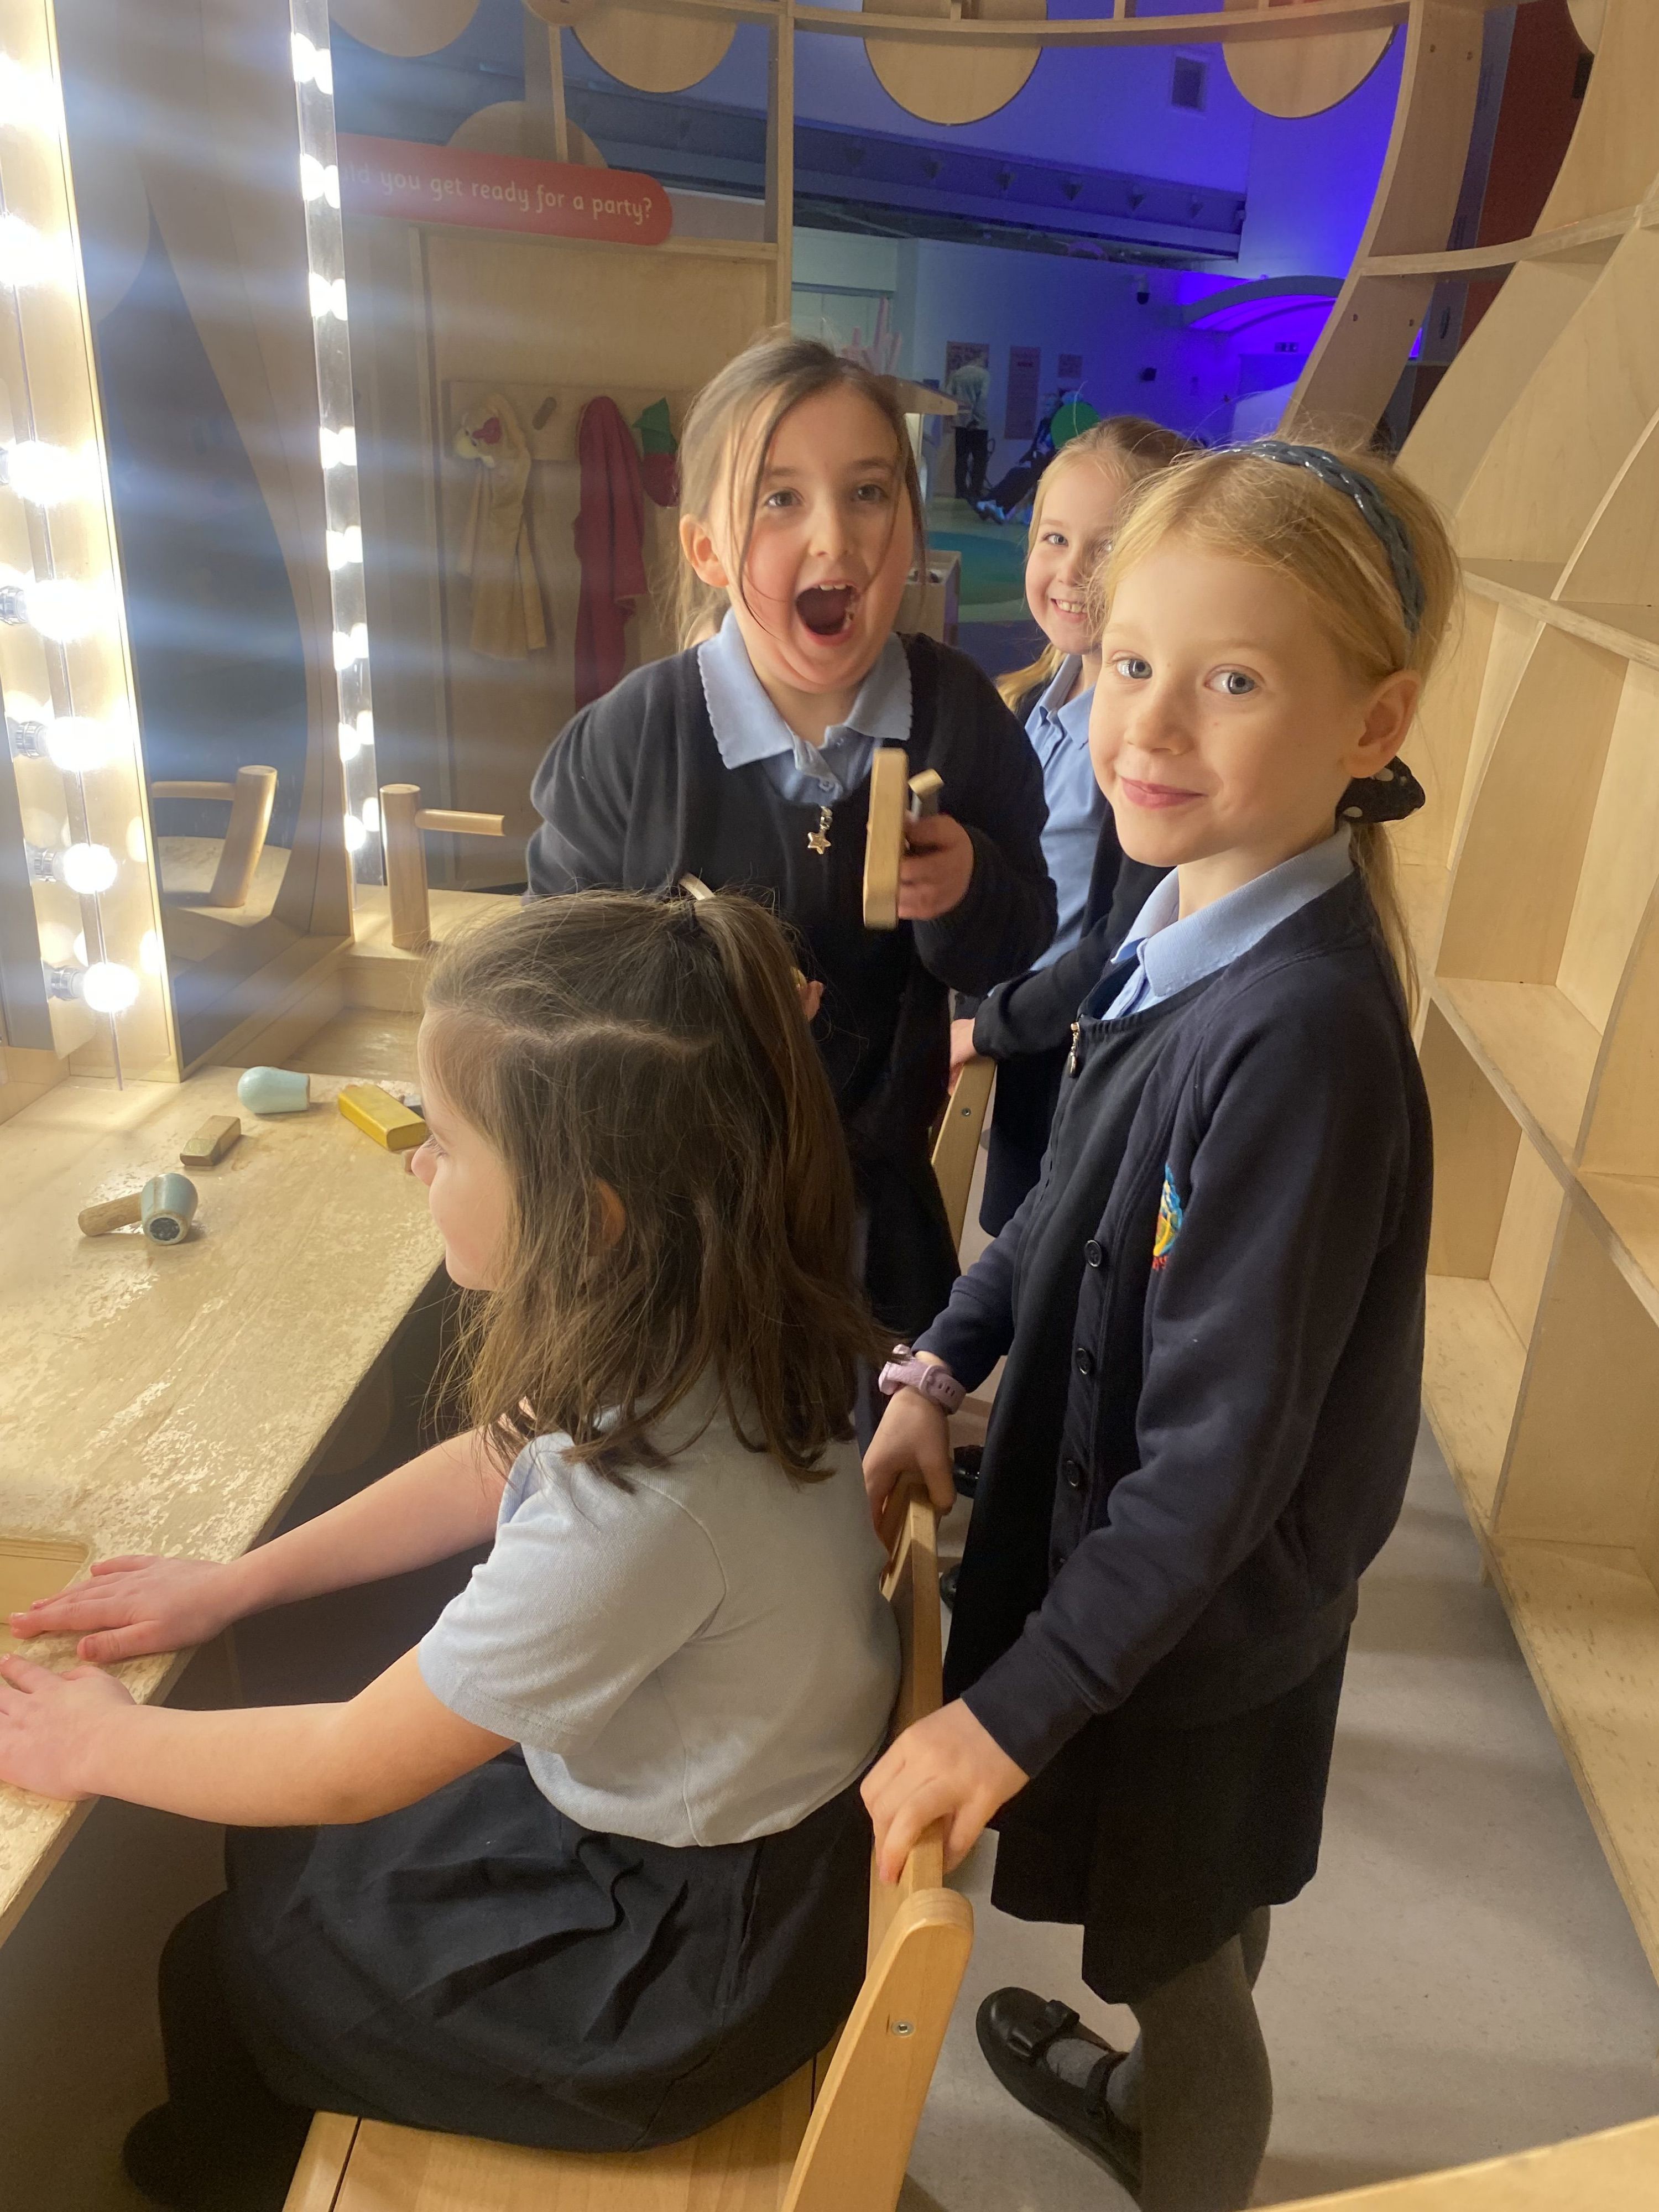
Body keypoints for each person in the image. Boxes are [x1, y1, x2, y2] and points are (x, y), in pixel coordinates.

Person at [2, 889, 902, 2212]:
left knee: (228, 1951)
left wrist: (99, 1745)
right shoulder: (711, 1323)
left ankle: (223, 2169)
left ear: (590, 1214)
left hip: (681, 1963)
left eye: (450, 1141)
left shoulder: (640, 1511)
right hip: (722, 1825)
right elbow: (498, 1456)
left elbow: (349, 1763)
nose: (419, 1164)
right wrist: (239, 1581)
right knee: (273, 1869)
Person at [862, 438, 1454, 2212]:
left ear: (1372, 723)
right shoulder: (1185, 903)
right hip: (1169, 1600)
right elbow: (1065, 1201)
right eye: (1132, 661)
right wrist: (942, 1361)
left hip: (1197, 1632)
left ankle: (1182, 2150)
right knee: (1193, 1910)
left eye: (1234, 680)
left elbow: (1214, 1464)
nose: (1151, 726)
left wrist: (1004, 1718)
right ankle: (1143, 2090)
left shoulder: (1298, 1039)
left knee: (1179, 1958)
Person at [526, 330, 1055, 1375]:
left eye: (869, 493)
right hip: (670, 1222)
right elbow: (549, 988)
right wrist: (698, 994)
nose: (834, 538)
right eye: (780, 498)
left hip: (873, 1222)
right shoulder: (633, 740)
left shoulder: (960, 716)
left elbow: (1018, 936)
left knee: (863, 1455)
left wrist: (966, 888)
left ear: (910, 524)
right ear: (709, 552)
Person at [954, 416, 1193, 1235]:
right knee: (1011, 1234)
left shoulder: (1144, 754)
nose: (1071, 571)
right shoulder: (1026, 703)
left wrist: (990, 1024)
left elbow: (1118, 946)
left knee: (1058, 1247)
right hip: (1017, 1033)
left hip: (1078, 1055)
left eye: (1108, 547)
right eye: (1055, 538)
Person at [946, 352, 992, 505]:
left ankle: (960, 491)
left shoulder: (957, 374)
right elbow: (983, 398)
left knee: (961, 458)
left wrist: (954, 417)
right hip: (979, 424)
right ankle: (975, 490)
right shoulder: (984, 375)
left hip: (960, 422)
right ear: (980, 359)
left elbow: (948, 395)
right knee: (980, 459)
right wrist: (975, 418)